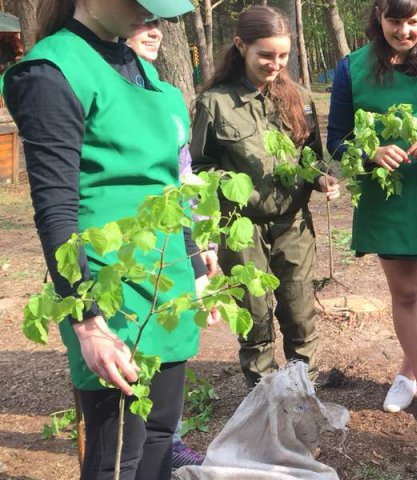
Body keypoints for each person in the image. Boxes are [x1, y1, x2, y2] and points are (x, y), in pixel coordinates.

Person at [2, 0, 207, 478]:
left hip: (165, 277)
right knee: (119, 451)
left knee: (161, 430)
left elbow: (170, 185)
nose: (150, 16)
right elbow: (56, 209)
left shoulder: (143, 70)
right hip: (106, 285)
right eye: (139, 2)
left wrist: (194, 264)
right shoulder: (52, 71)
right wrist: (88, 321)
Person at [325, 0, 417, 423]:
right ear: (378, 18)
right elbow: (336, 140)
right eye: (394, 21)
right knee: (405, 291)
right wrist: (370, 152)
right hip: (385, 197)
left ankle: (406, 374)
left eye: (412, 21)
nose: (403, 30)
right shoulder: (351, 69)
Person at [190, 5, 341, 388]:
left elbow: (311, 158)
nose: (275, 64)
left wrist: (321, 179)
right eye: (266, 55)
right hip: (241, 229)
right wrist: (231, 182)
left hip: (293, 225)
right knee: (255, 318)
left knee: (299, 315)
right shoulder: (215, 103)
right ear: (241, 46)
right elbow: (200, 168)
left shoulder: (299, 97)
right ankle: (265, 397)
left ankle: (303, 395)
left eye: (283, 55)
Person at [125, 19, 208, 469]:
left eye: (158, 22)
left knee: (169, 342)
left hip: (171, 242)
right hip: (121, 249)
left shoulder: (168, 95)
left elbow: (183, 175)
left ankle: (166, 441)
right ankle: (125, 451)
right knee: (129, 352)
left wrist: (200, 249)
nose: (154, 31)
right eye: (143, 20)